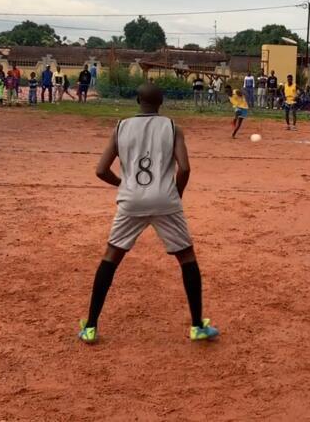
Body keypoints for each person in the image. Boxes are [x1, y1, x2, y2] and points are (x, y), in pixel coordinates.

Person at [78, 82, 219, 344]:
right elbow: (185, 168)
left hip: (131, 201)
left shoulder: (121, 126)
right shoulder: (173, 127)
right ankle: (197, 326)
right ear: (161, 102)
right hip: (165, 199)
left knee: (111, 256)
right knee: (186, 257)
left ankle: (90, 326)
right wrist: (176, 194)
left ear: (137, 100)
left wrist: (124, 185)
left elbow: (100, 170)